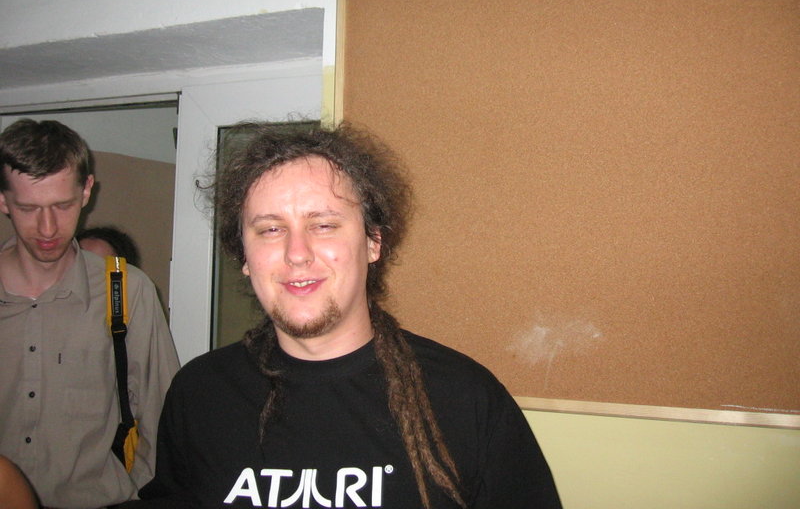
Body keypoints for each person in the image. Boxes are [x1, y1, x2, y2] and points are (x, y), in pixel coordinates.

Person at [129, 121, 562, 508]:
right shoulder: (199, 394)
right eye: (271, 229)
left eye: (323, 225)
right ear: (244, 256)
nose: (297, 253)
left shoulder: (464, 399)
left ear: (373, 242)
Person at [0, 119, 181, 508]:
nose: (48, 227)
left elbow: (164, 416)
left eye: (62, 206)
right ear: (2, 200)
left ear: (86, 191)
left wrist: (139, 496)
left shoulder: (128, 291)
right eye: (28, 208)